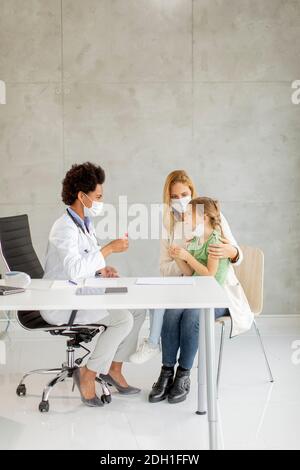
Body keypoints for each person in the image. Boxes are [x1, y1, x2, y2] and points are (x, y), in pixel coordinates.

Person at [42, 162, 146, 407]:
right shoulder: (64, 228)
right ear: (82, 196)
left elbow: (85, 263)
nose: (101, 201)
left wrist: (102, 270)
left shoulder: (83, 224)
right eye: (98, 196)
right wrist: (108, 249)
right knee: (124, 319)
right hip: (63, 301)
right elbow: (74, 269)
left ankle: (112, 368)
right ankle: (88, 373)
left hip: (82, 292)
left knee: (139, 309)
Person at [148, 170, 253, 404]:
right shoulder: (171, 225)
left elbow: (233, 257)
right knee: (172, 313)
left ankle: (183, 374)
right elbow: (165, 268)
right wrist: (180, 257)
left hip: (217, 293)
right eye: (175, 196)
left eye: (185, 194)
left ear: (194, 195)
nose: (181, 200)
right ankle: (166, 372)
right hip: (190, 289)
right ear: (168, 199)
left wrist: (232, 252)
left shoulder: (212, 218)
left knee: (193, 316)